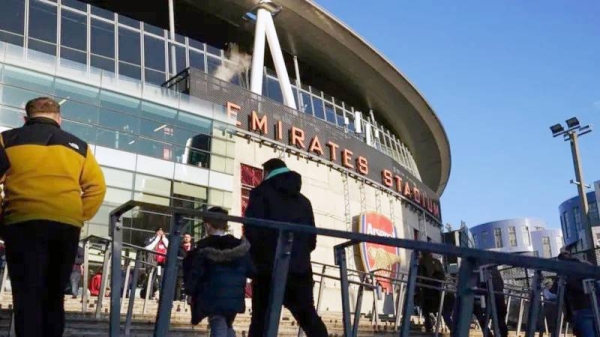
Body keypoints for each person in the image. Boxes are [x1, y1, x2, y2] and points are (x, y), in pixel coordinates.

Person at [0, 97, 106, 337]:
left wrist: (2, 215)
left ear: (25, 118)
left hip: (22, 223)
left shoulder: (6, 140)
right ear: (59, 118)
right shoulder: (79, 146)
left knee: (26, 294)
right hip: (64, 227)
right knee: (54, 295)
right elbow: (97, 188)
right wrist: (79, 215)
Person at [243, 158, 328, 337]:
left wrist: (257, 259)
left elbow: (252, 231)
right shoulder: (304, 201)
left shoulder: (260, 193)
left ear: (266, 172)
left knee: (261, 321)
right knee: (308, 317)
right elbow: (311, 239)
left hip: (268, 269)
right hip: (299, 268)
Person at [183, 207, 255, 337]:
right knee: (227, 324)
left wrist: (190, 292)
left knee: (218, 323)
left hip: (212, 294)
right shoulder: (239, 246)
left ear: (207, 225)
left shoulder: (203, 247)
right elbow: (251, 270)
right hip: (234, 295)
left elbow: (195, 272)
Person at [557, 251, 598, 337]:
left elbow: (553, 293)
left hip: (579, 307)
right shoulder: (586, 265)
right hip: (595, 304)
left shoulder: (563, 271)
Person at [176, 233, 194, 301]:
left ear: (190, 238)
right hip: (181, 266)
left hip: (190, 267)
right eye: (185, 237)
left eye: (188, 237)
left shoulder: (193, 247)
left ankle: (188, 299)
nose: (186, 238)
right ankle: (177, 298)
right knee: (179, 283)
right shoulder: (179, 246)